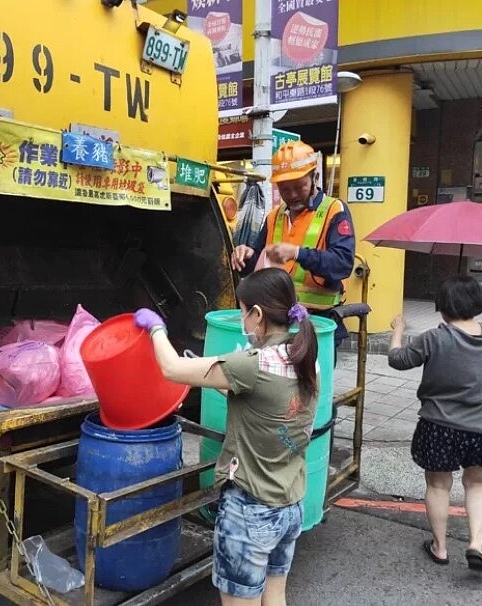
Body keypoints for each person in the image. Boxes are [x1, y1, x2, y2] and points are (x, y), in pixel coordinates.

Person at [134, 268, 318, 606]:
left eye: (242, 311)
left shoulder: (252, 364)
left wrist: (156, 327)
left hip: (251, 511)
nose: (242, 320)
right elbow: (266, 404)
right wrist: (224, 381)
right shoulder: (305, 358)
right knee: (275, 596)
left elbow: (172, 369)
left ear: (258, 314)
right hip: (290, 505)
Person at [387, 276, 482, 573]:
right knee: (478, 484)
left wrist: (399, 331)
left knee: (438, 486)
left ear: (441, 305)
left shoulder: (434, 338)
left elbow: (397, 360)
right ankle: (476, 543)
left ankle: (440, 548)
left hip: (439, 425)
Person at [230, 141, 355, 345]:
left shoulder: (334, 210)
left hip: (317, 324)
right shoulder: (274, 217)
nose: (293, 194)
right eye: (285, 189)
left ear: (314, 177)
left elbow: (342, 264)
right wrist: (247, 257)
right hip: (275, 326)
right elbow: (258, 268)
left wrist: (298, 253)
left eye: (299, 186)